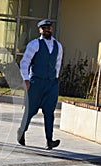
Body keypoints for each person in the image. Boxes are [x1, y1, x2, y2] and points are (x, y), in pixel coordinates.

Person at [17, 19, 63, 150]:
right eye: (44, 28)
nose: (47, 30)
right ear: (40, 30)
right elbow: (25, 62)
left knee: (50, 112)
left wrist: (55, 78)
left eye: (49, 27)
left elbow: (58, 63)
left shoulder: (58, 46)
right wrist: (26, 79)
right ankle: (21, 132)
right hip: (36, 82)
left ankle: (49, 140)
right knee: (31, 110)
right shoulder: (34, 44)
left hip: (51, 83)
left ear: (52, 29)